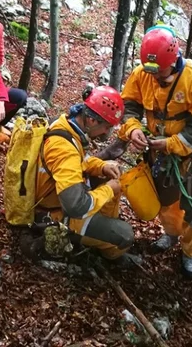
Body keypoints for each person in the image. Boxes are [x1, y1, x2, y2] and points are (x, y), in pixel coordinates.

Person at [118, 26, 192, 276]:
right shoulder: (143, 73)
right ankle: (171, 234)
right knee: (166, 203)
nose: (154, 77)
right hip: (158, 155)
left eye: (159, 71)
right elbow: (130, 104)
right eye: (150, 71)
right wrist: (132, 128)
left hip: (189, 156)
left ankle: (191, 252)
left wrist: (173, 143)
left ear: (173, 60)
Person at [34, 86, 134, 260]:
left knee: (108, 180)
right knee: (124, 236)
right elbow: (76, 207)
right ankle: (108, 252)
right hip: (48, 212)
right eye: (106, 127)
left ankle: (100, 229)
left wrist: (101, 166)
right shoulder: (63, 147)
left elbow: (78, 161)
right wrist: (109, 189)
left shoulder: (66, 125)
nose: (105, 133)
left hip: (53, 197)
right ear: (92, 121)